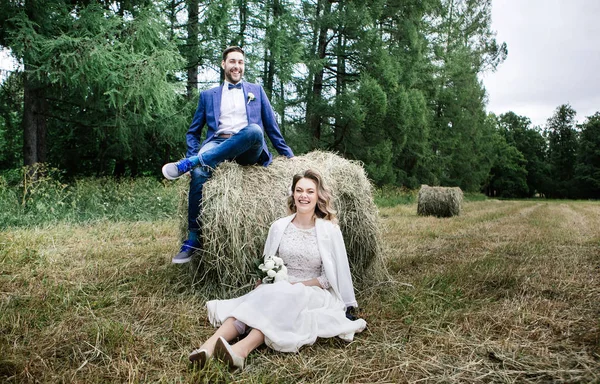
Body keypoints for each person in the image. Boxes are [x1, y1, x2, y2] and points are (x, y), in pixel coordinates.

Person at [187, 169, 367, 370]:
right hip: (280, 285)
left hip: (313, 291)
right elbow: (269, 261)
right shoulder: (279, 226)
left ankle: (241, 350)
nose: (303, 196)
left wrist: (295, 285)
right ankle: (208, 347)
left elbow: (328, 277)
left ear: (318, 196)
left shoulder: (329, 230)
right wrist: (265, 281)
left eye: (310, 191)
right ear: (293, 194)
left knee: (283, 298)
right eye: (299, 190)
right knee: (257, 300)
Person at [162, 46, 294, 264]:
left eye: (241, 62)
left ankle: (191, 162)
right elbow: (193, 131)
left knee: (254, 131)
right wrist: (193, 150)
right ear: (223, 64)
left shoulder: (257, 90)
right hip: (217, 142)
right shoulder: (207, 96)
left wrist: (289, 157)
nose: (237, 66)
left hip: (247, 148)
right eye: (232, 61)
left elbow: (271, 128)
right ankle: (193, 237)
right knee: (198, 174)